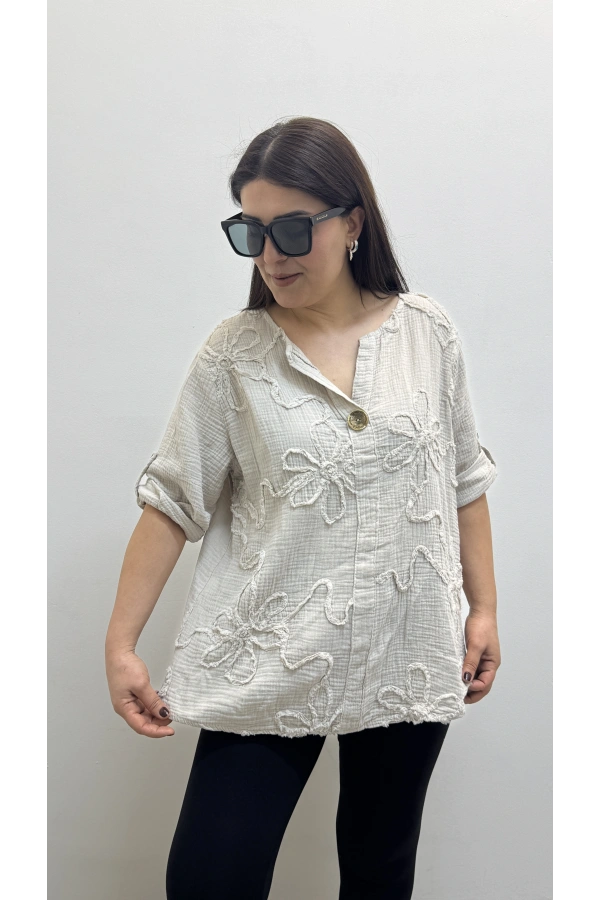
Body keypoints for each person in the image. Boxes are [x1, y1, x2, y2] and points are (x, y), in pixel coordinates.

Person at [105, 116, 501, 899]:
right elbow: (172, 499)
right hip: (269, 654)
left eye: (291, 229)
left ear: (352, 222)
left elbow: (464, 477)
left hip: (404, 647)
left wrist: (483, 608)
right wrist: (121, 644)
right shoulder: (233, 355)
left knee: (380, 869)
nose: (271, 255)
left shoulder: (427, 334)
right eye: (251, 233)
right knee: (210, 878)